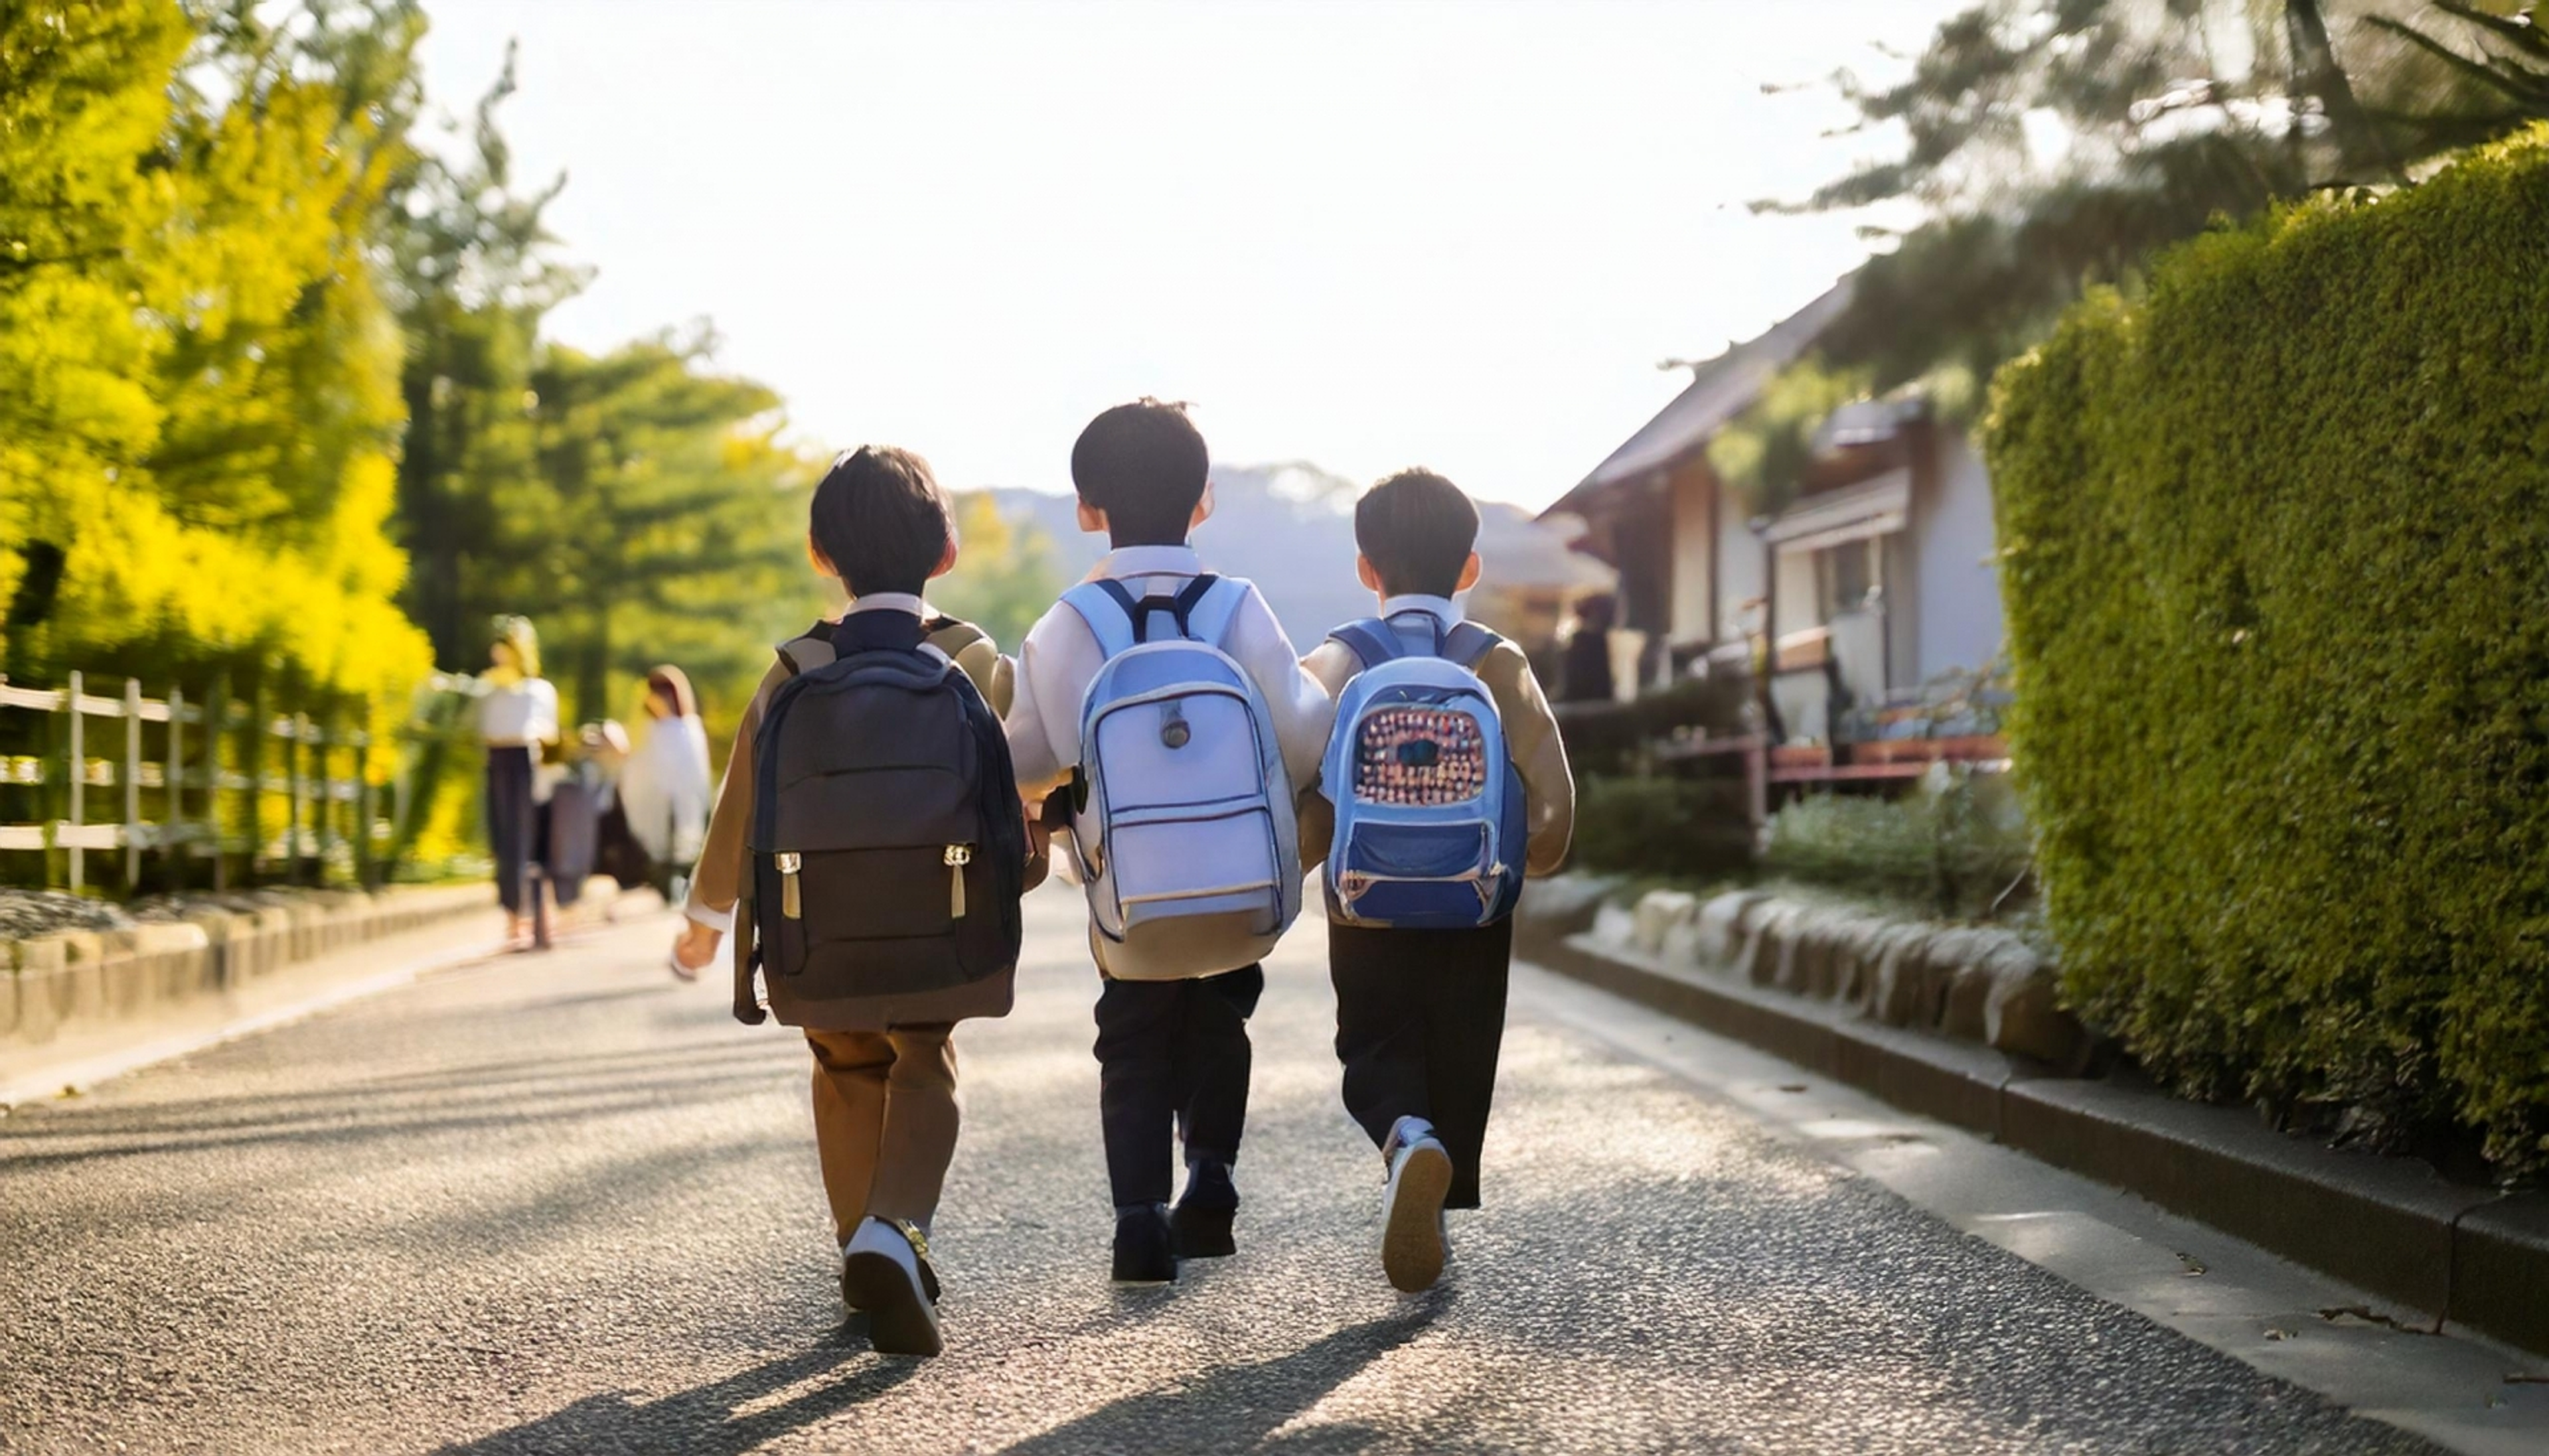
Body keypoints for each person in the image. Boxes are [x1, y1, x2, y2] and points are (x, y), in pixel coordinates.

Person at [670, 446, 1014, 1357]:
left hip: (814, 930)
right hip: (941, 921)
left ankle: (861, 1240)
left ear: (821, 553)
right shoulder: (971, 658)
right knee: (923, 1059)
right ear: (945, 551)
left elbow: (741, 805)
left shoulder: (796, 667)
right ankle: (893, 1230)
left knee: (844, 1060)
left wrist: (706, 920)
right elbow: (1023, 776)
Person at [1001, 399, 1334, 1285]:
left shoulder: (1067, 623)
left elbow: (1027, 761)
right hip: (1242, 889)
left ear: (1087, 507)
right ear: (1205, 499)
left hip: (1127, 896)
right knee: (1221, 1012)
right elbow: (1305, 737)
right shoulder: (1240, 606)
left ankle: (1139, 1221)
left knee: (1133, 1039)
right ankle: (1211, 1173)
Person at [1299, 469, 1575, 1293]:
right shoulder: (1496, 660)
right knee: (1462, 1040)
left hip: (1366, 898)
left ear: (1366, 567)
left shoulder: (1341, 657)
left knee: (1373, 1040)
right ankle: (1440, 1196)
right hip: (1474, 895)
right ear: (1470, 567)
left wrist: (1300, 859)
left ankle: (1407, 1138)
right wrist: (1536, 857)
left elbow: (1296, 766)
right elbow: (1552, 794)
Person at [475, 615, 559, 950]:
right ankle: (513, 920)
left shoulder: (539, 691)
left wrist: (548, 780)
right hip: (499, 762)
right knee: (506, 843)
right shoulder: (489, 690)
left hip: (529, 764)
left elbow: (549, 737)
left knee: (532, 843)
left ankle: (541, 918)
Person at [615, 666, 712, 902]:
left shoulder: (688, 728)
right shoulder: (646, 729)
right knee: (658, 849)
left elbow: (696, 769)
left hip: (682, 801)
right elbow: (637, 766)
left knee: (680, 848)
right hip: (652, 801)